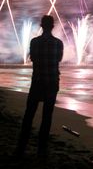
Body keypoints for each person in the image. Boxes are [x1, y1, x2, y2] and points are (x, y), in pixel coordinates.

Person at [16, 15, 63, 157]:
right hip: (52, 83)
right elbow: (59, 59)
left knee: (29, 115)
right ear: (52, 26)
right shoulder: (58, 43)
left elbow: (33, 58)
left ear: (41, 26)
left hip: (37, 82)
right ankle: (41, 150)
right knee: (47, 117)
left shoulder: (34, 42)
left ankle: (21, 148)